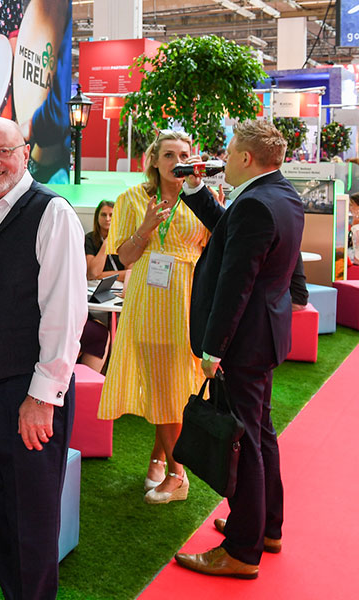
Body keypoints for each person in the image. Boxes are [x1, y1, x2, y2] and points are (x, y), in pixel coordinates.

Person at [0, 117, 84, 600]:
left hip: (27, 396)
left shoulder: (52, 213)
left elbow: (64, 311)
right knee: (0, 520)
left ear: (25, 153)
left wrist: (43, 397)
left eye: (3, 151)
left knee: (30, 527)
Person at [174, 119, 303, 579]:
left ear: (247, 158)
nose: (222, 159)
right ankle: (266, 526)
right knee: (260, 435)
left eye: (229, 152)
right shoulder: (281, 195)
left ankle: (242, 550)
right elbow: (238, 238)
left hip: (244, 342)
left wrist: (213, 349)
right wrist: (195, 193)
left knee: (245, 442)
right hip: (266, 336)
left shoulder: (255, 204)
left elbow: (235, 284)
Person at [97, 130, 210, 504]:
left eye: (183, 153)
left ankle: (157, 460)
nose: (177, 161)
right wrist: (145, 228)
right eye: (168, 155)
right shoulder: (131, 199)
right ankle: (178, 475)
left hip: (190, 299)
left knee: (180, 384)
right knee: (162, 383)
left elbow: (214, 253)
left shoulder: (203, 200)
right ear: (154, 161)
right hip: (148, 300)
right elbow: (117, 261)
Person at [79, 199, 127, 373]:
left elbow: (129, 271)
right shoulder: (89, 239)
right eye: (104, 215)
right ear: (97, 217)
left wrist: (103, 275)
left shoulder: (124, 240)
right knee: (99, 326)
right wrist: (106, 244)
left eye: (112, 215)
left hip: (116, 294)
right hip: (93, 297)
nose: (107, 219)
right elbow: (92, 273)